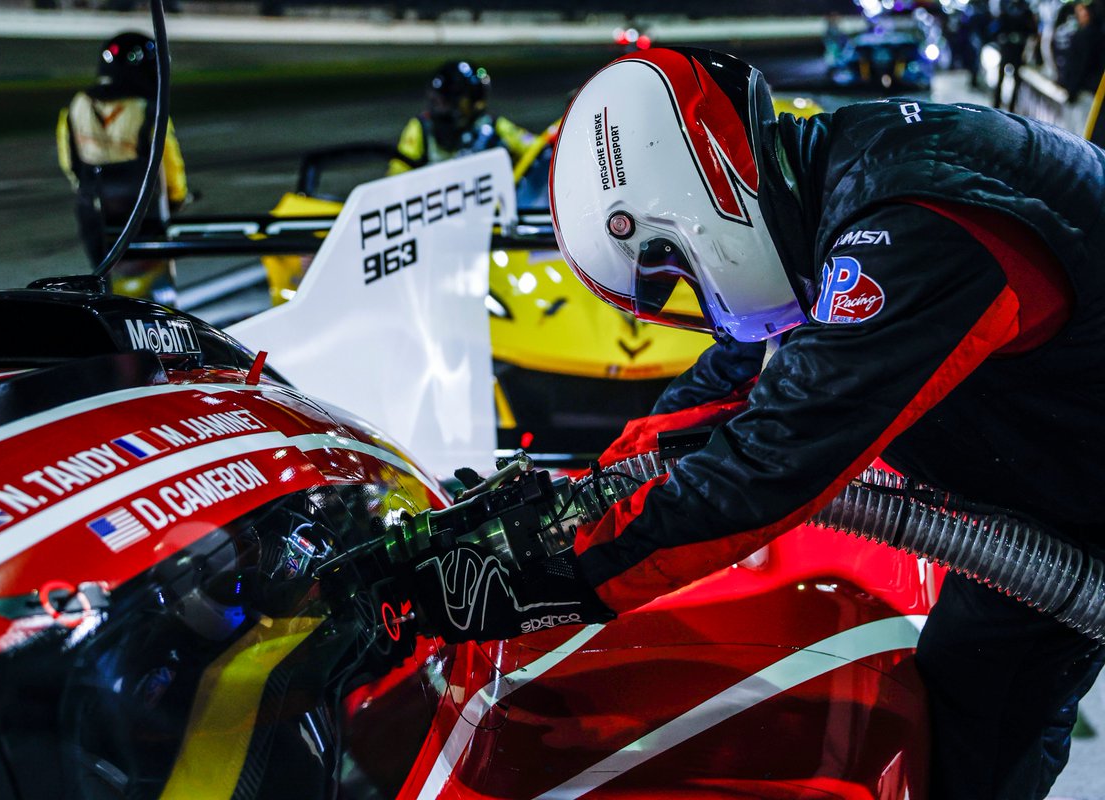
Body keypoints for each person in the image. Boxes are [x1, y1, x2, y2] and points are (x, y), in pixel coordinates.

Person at [416, 47, 1105, 800]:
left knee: (981, 720)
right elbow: (737, 378)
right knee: (970, 688)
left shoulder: (916, 226)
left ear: (694, 204)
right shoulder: (840, 181)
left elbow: (774, 461)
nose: (693, 296)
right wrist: (583, 497)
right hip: (1059, 476)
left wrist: (553, 576)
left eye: (672, 270)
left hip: (1074, 496)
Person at [57, 31, 186, 306]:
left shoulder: (77, 104)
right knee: (155, 289)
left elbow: (70, 161)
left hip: (95, 210)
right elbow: (168, 161)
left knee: (104, 280)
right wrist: (176, 198)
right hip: (142, 213)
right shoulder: (149, 109)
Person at [387, 60, 534, 175]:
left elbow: (536, 148)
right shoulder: (420, 127)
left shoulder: (493, 126)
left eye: (446, 101)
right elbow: (397, 176)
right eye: (438, 101)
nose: (441, 107)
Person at [991, 0, 1040, 109]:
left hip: (1018, 51)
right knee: (1001, 78)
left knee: (1016, 82)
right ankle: (996, 105)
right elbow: (998, 27)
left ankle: (1011, 108)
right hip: (1007, 48)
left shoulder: (1026, 10)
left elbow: (1032, 31)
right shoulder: (1006, 7)